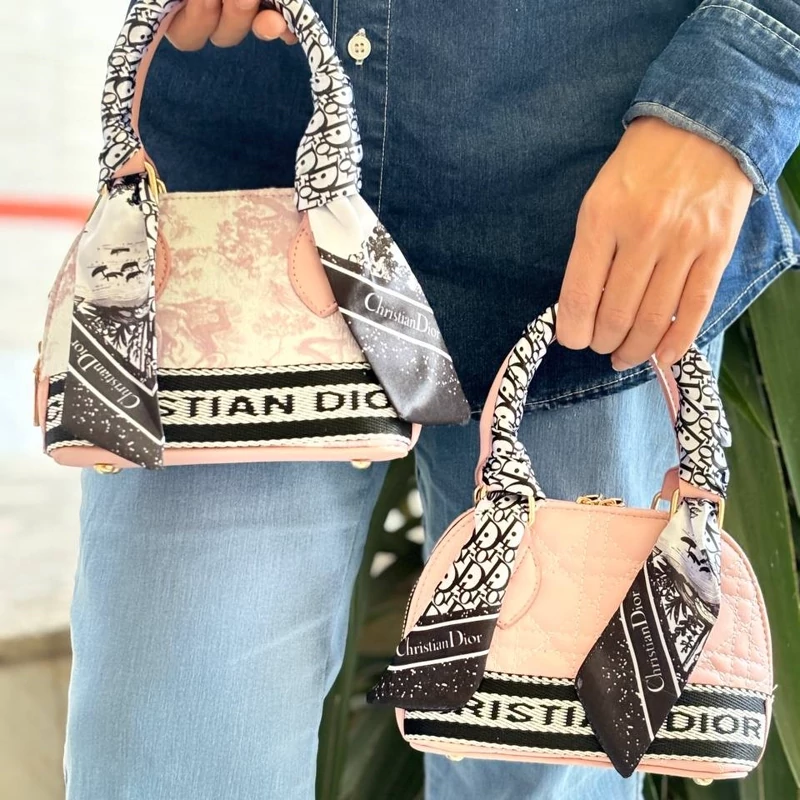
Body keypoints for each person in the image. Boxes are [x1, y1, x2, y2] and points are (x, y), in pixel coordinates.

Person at [64, 1, 800, 798]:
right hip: (238, 211)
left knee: (541, 773)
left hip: (595, 214)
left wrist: (734, 89)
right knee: (173, 757)